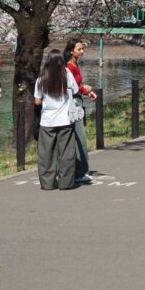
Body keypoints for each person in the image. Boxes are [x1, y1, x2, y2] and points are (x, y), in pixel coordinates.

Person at [34, 50, 79, 191]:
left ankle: (47, 183)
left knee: (46, 153)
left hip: (47, 121)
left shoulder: (41, 78)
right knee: (66, 153)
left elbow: (37, 101)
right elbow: (76, 90)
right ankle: (66, 183)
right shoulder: (67, 75)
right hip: (65, 120)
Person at [63, 38, 98, 185]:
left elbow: (76, 85)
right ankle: (80, 172)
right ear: (71, 51)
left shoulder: (74, 65)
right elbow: (72, 87)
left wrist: (87, 92)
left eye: (82, 49)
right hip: (73, 104)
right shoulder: (69, 67)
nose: (82, 51)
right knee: (79, 138)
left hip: (76, 101)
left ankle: (77, 170)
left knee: (77, 137)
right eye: (79, 49)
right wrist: (85, 89)